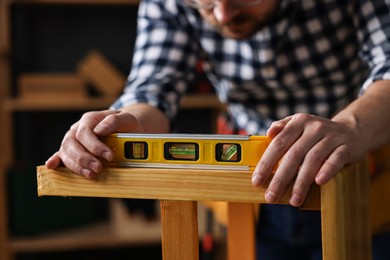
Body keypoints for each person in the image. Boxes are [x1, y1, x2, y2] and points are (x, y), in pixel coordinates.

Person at [46, 0, 390, 259]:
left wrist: (349, 127)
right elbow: (153, 92)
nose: (223, 15)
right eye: (206, 1)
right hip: (253, 194)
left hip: (360, 183)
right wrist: (120, 124)